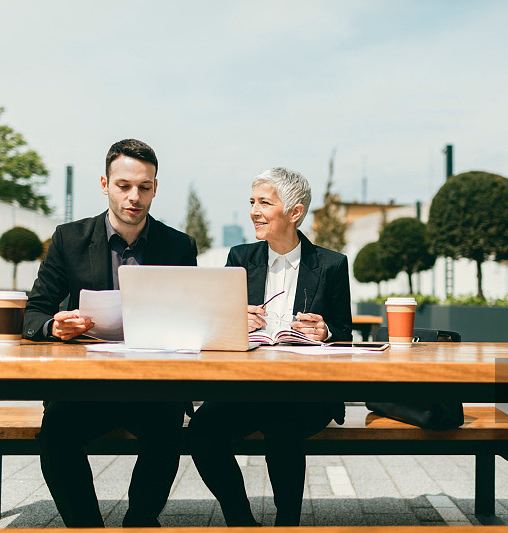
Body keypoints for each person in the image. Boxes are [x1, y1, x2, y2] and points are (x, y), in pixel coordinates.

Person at [24, 138, 198, 527]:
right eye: (124, 186)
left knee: (169, 431)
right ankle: (87, 527)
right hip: (84, 386)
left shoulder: (179, 246)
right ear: (105, 184)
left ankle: (138, 523)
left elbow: (191, 318)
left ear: (155, 188)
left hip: (152, 386)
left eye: (145, 187)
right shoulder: (68, 239)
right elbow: (34, 311)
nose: (134, 196)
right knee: (55, 437)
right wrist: (55, 325)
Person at [187, 167, 351, 527]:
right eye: (251, 202)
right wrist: (232, 320)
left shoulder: (331, 264)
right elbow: (213, 329)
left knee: (283, 424)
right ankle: (241, 521)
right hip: (246, 388)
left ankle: (287, 523)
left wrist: (325, 331)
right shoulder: (240, 258)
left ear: (295, 212)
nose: (254, 211)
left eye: (264, 202)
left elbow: (344, 332)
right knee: (200, 432)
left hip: (308, 391)